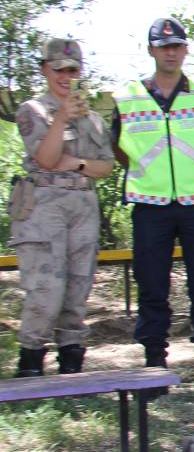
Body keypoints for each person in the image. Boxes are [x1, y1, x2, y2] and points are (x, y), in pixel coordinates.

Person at [111, 18, 194, 394]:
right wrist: (150, 174)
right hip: (151, 204)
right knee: (151, 287)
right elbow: (118, 148)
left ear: (186, 50)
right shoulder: (126, 98)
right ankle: (153, 366)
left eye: (177, 46)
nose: (171, 52)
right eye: (164, 47)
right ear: (151, 51)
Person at [10, 39, 114, 377]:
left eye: (73, 70)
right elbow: (46, 159)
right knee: (45, 292)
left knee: (77, 291)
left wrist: (78, 163)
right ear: (45, 70)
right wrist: (60, 119)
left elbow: (105, 167)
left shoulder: (93, 119)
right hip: (44, 208)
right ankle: (30, 369)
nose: (67, 76)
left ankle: (71, 372)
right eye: (59, 70)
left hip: (83, 205)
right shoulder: (32, 110)